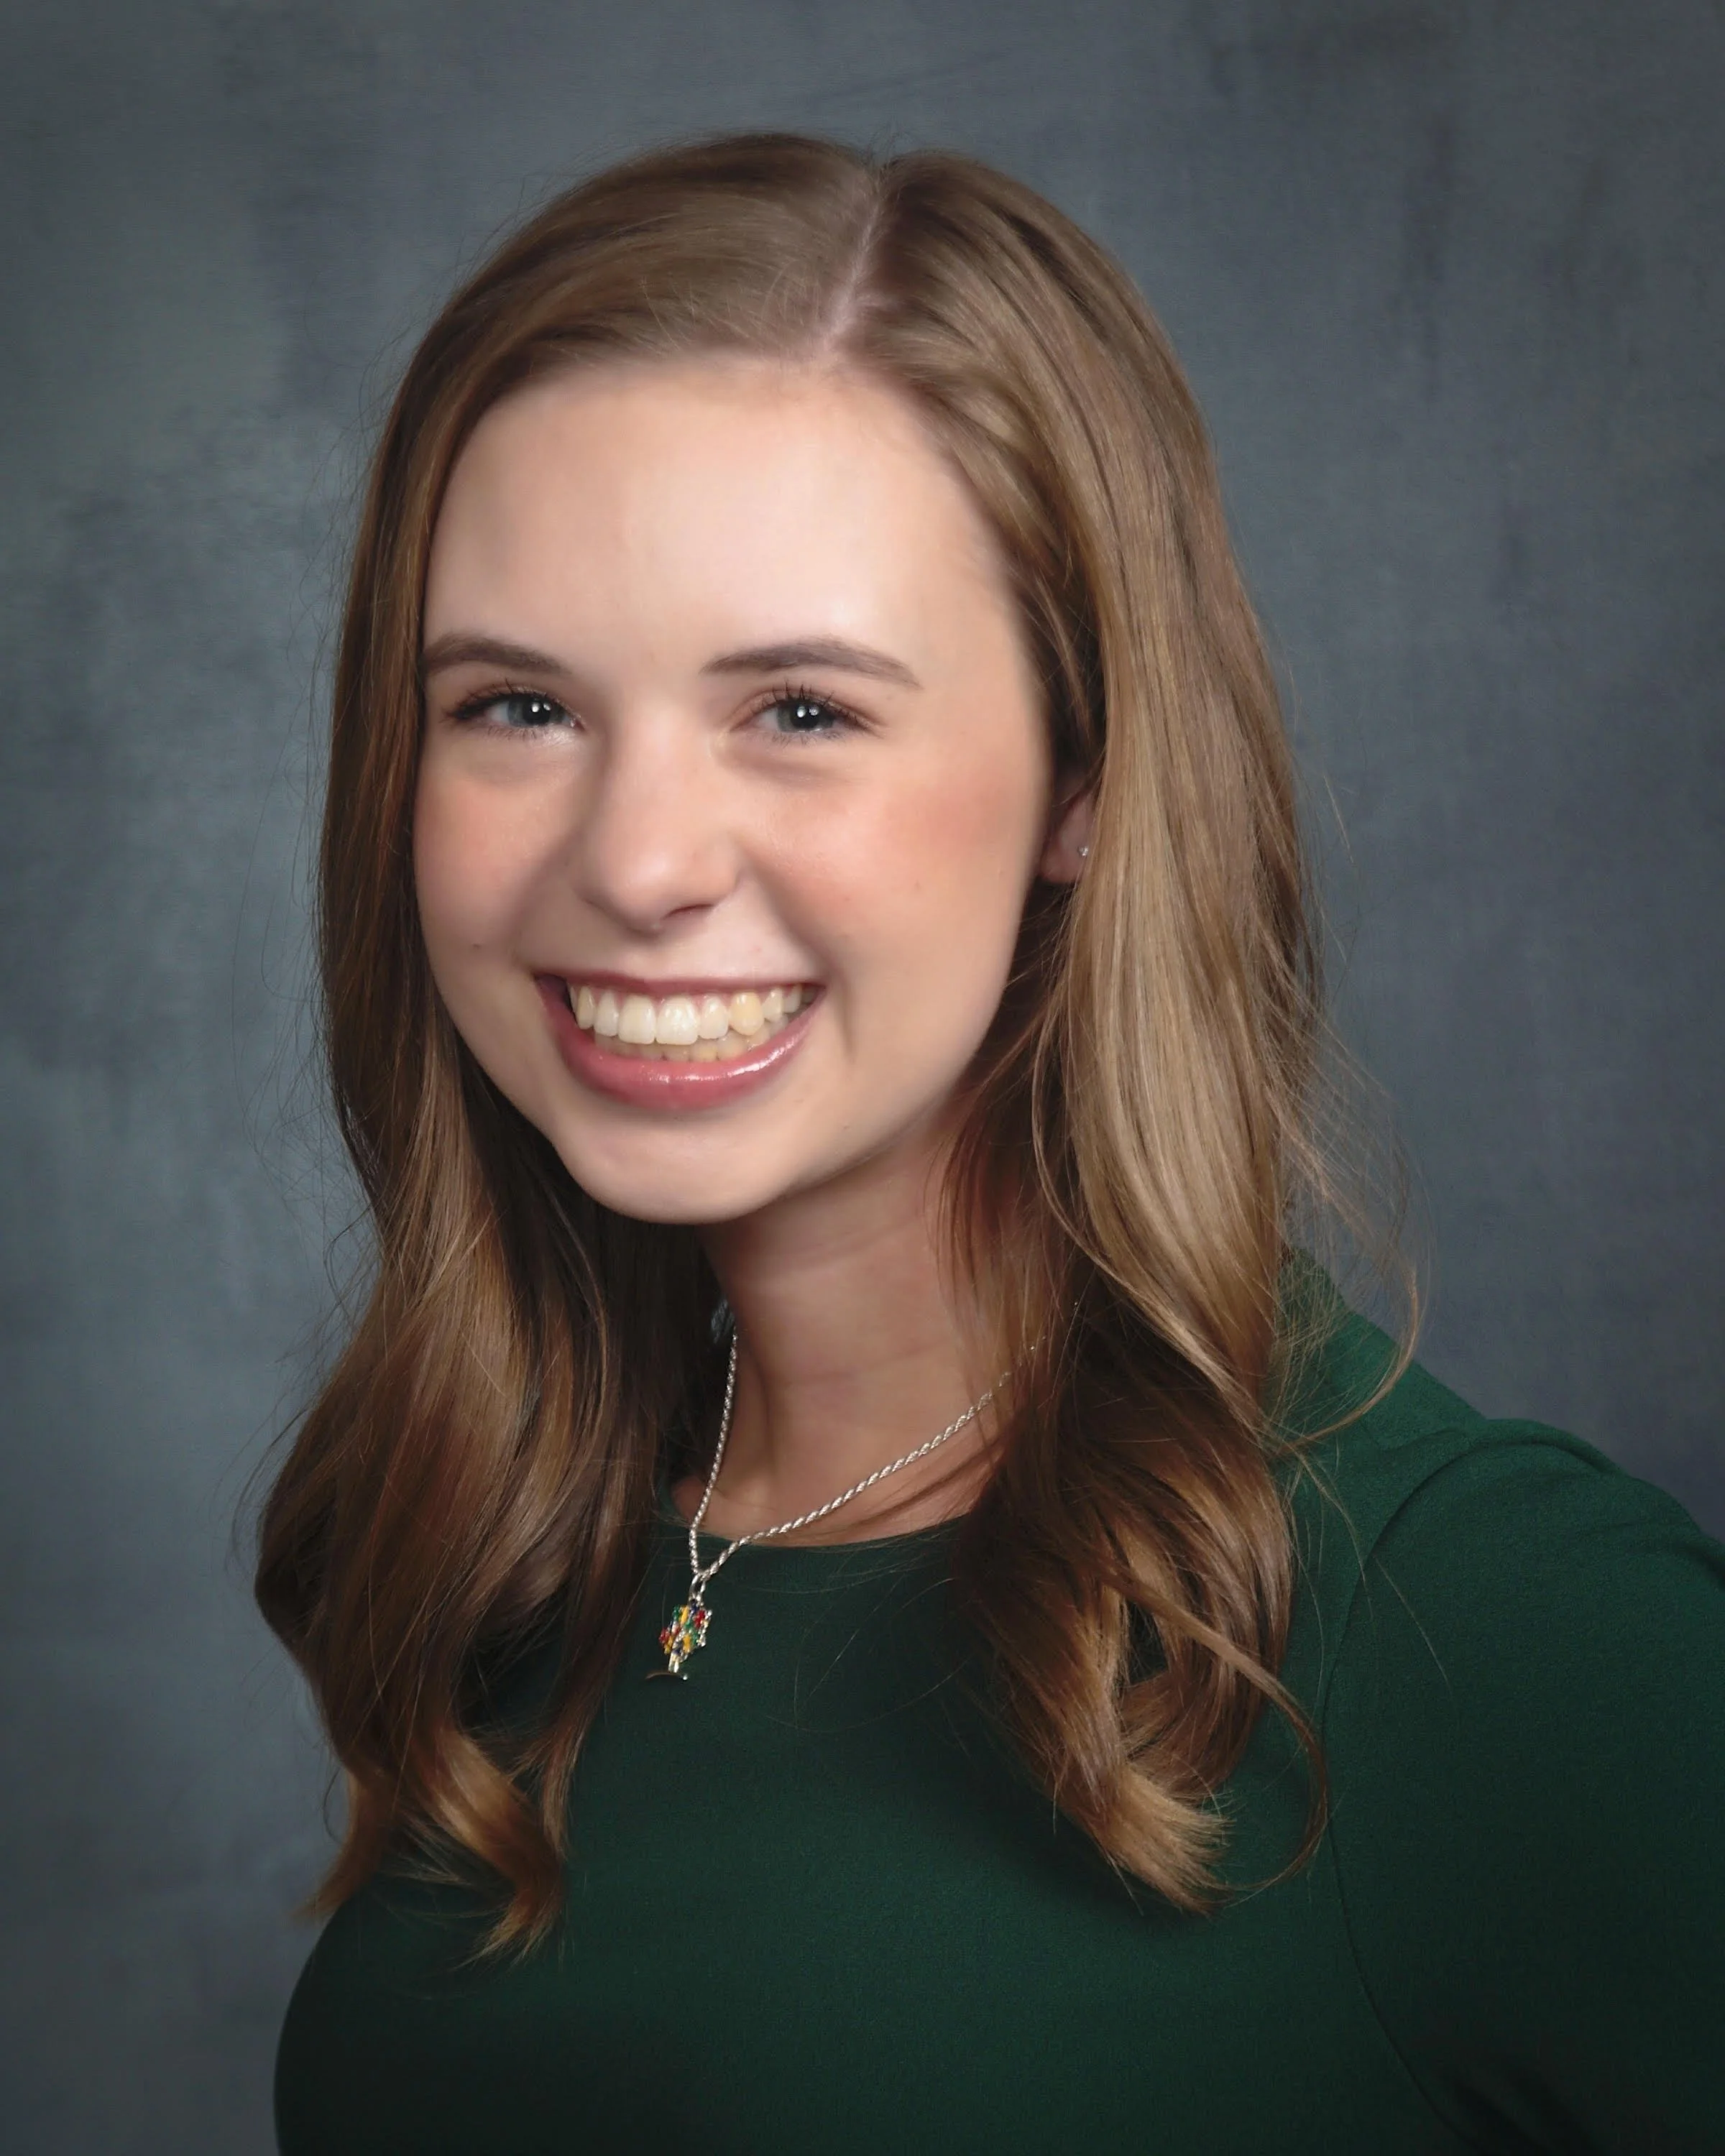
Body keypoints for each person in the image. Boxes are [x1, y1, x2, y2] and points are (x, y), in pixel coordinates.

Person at [260, 134, 1725, 2154]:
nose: (637, 863)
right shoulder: (538, 1565)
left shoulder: (1488, 1629)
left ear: (1086, 782)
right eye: (518, 707)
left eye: (799, 711)